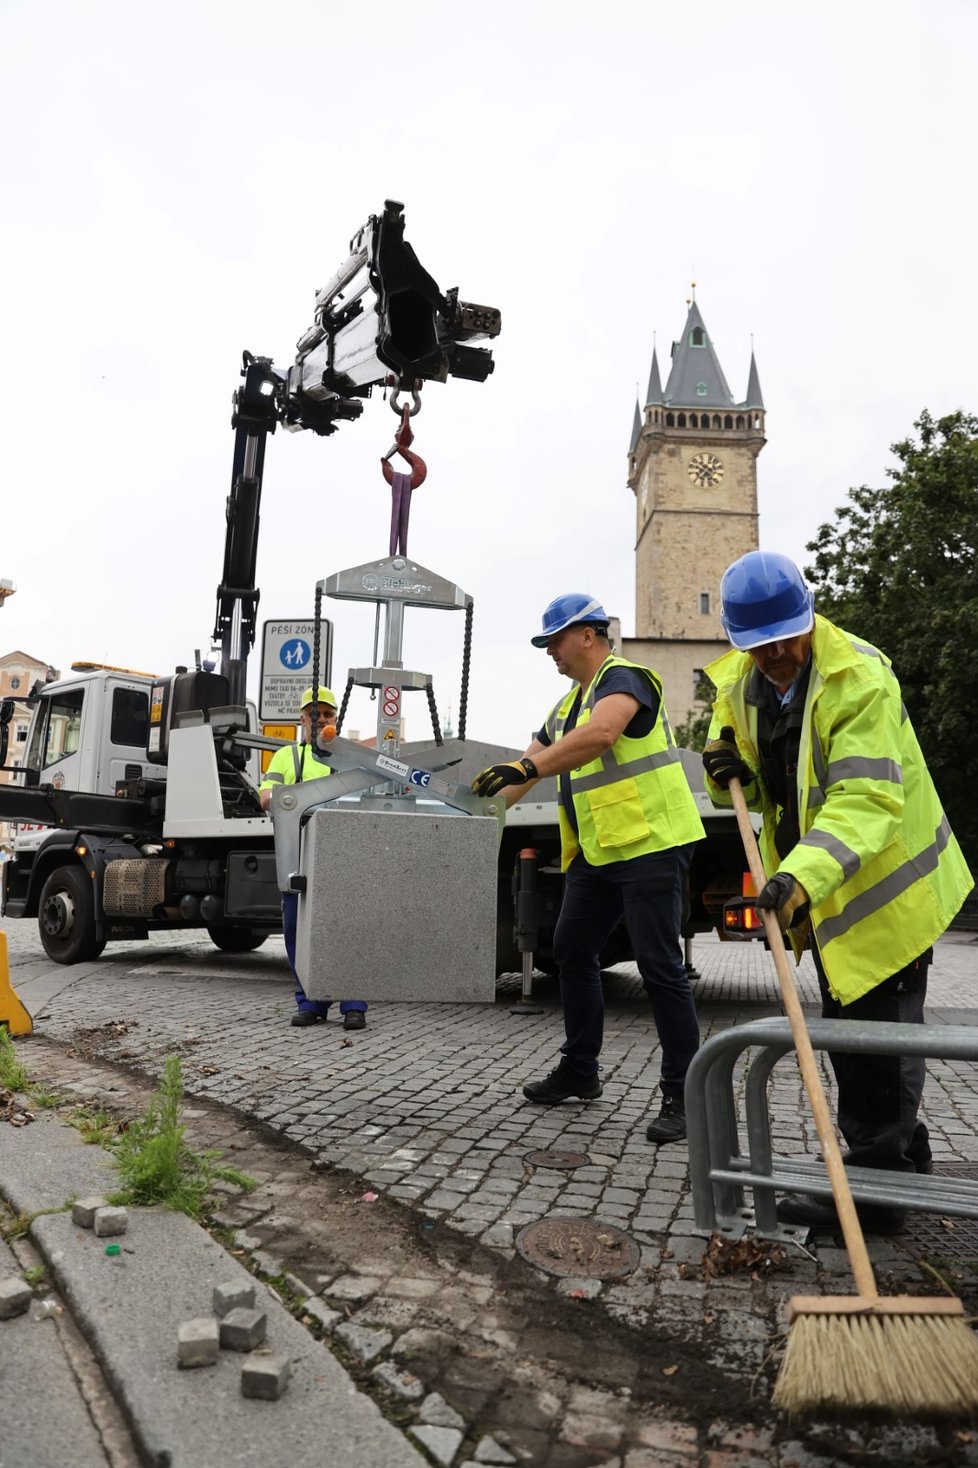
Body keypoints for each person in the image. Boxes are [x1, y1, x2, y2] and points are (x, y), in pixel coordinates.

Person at [703, 550, 973, 1231]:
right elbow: (745, 762)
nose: (777, 655)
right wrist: (722, 768)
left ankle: (877, 1197)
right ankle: (898, 1160)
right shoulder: (742, 681)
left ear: (808, 618)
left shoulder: (859, 679)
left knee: (876, 1037)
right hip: (826, 892)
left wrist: (798, 877)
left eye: (786, 639)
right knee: (860, 1033)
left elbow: (864, 801)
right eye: (761, 647)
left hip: (886, 886)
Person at [471, 593, 705, 1144]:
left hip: (651, 844)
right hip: (599, 855)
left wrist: (526, 763)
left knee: (660, 968)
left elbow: (601, 736)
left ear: (587, 634)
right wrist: (474, 812)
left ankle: (686, 1094)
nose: (549, 651)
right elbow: (522, 773)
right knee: (573, 952)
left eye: (554, 640)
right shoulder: (563, 707)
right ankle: (581, 1071)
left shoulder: (627, 679)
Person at [259, 687, 368, 1031]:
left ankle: (354, 1004)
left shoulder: (349, 758)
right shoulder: (286, 757)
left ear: (335, 719)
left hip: (343, 850)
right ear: (302, 718)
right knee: (296, 928)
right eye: (314, 713)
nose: (320, 719)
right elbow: (265, 797)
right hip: (298, 850)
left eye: (327, 714)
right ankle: (310, 1002)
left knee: (349, 927)